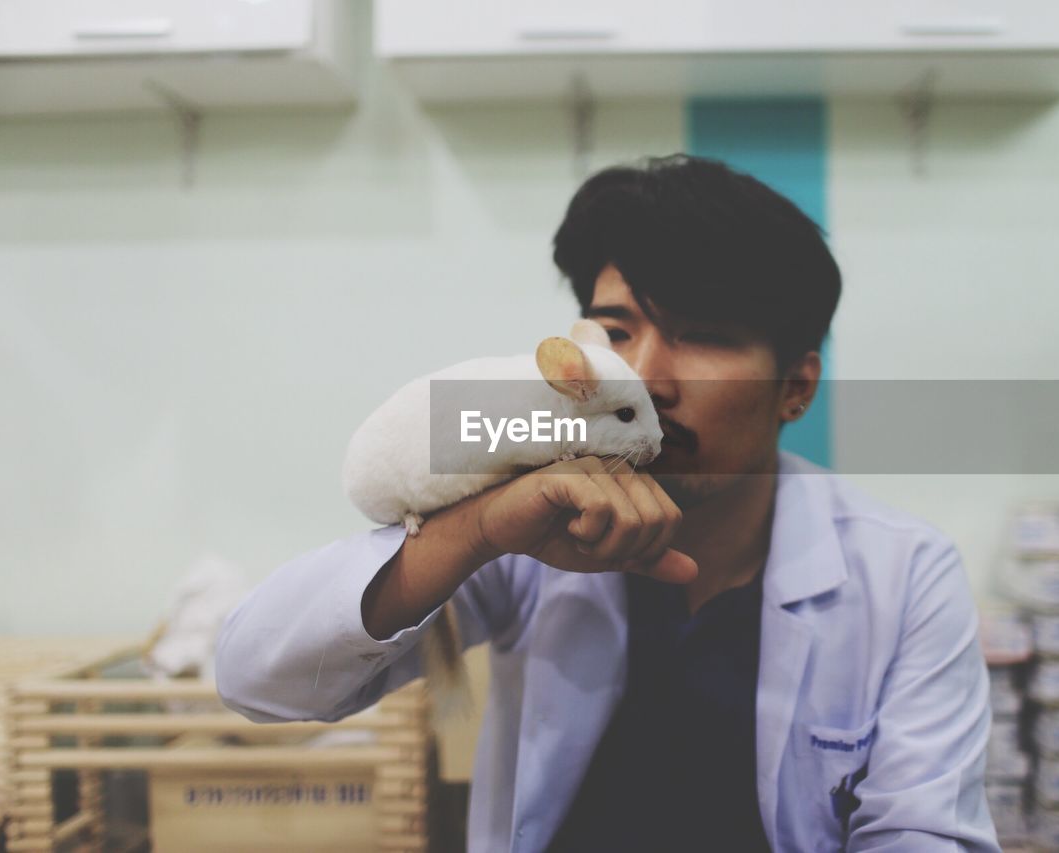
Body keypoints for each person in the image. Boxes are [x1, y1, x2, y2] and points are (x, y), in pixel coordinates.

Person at [215, 154, 998, 852]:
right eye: (617, 331)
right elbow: (257, 678)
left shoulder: (905, 573)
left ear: (794, 386)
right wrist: (480, 529)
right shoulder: (524, 527)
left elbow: (923, 831)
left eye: (705, 334)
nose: (647, 376)